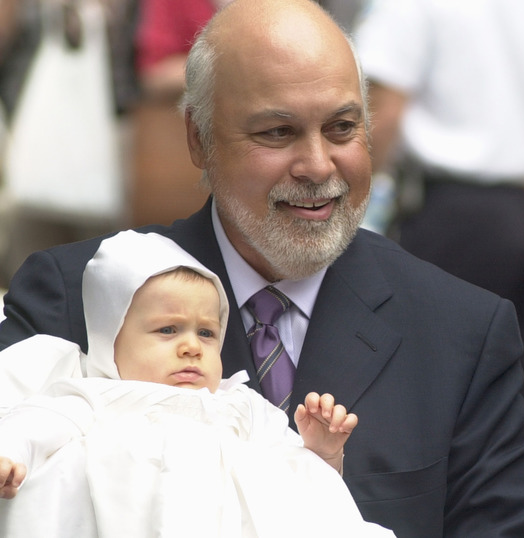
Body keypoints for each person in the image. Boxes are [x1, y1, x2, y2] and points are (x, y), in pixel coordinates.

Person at [0, 0, 524, 538]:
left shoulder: (460, 333)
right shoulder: (78, 300)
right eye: (278, 132)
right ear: (199, 139)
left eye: (341, 127)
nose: (317, 165)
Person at [0, 230, 393, 537]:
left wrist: (322, 454)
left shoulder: (241, 405)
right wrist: (9, 454)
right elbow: (34, 422)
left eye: (206, 333)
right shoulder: (95, 397)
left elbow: (301, 485)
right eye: (167, 330)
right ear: (110, 339)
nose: (191, 347)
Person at [353, 0, 524, 420]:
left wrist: (351, 202)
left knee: (431, 396)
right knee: (508, 398)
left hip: (447, 219)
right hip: (520, 215)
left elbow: (383, 110)